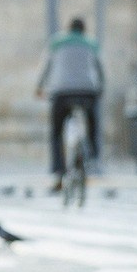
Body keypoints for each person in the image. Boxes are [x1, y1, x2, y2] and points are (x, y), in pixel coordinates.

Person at [36, 17, 104, 188]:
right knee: (93, 125)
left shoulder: (57, 42)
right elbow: (101, 71)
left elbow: (47, 67)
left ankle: (59, 170)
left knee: (57, 132)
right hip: (87, 92)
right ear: (84, 30)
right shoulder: (91, 43)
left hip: (61, 92)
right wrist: (100, 90)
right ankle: (93, 158)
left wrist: (39, 88)